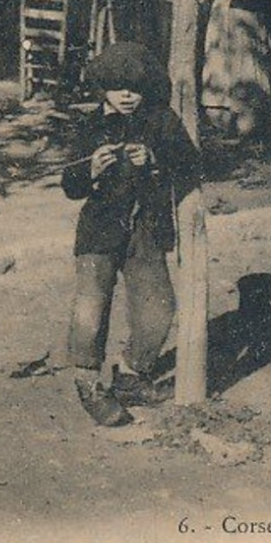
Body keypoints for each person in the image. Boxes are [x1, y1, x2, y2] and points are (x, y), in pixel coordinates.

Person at [62, 42, 202, 426]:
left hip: (145, 227)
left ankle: (130, 374)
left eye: (135, 88)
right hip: (100, 229)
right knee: (91, 308)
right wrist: (90, 169)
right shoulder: (90, 126)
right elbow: (69, 184)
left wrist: (155, 160)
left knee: (158, 309)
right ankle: (88, 383)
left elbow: (192, 165)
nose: (127, 95)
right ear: (102, 87)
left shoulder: (160, 120)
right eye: (118, 86)